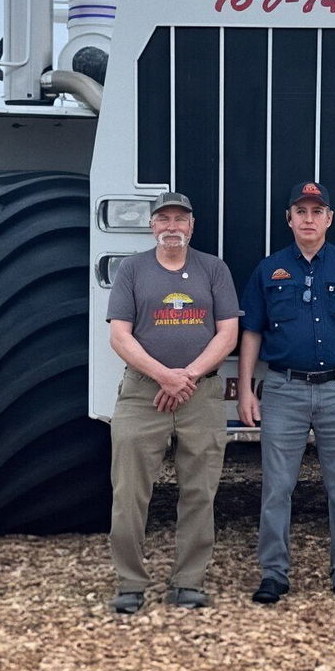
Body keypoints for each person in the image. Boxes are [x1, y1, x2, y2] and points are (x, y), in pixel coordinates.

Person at [238, 181, 335, 604]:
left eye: (316, 211)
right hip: (284, 390)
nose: (308, 219)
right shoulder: (268, 270)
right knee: (277, 488)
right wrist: (246, 390)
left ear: (329, 219)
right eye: (301, 211)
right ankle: (273, 574)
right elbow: (251, 333)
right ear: (289, 219)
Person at [106, 191, 242, 613]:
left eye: (180, 219)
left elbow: (228, 333)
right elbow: (120, 336)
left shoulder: (214, 269)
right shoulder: (132, 270)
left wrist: (188, 376)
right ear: (152, 226)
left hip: (200, 395)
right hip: (142, 394)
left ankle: (189, 582)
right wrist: (164, 375)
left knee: (200, 491)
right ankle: (130, 583)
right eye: (163, 219)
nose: (172, 227)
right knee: (129, 493)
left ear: (192, 226)